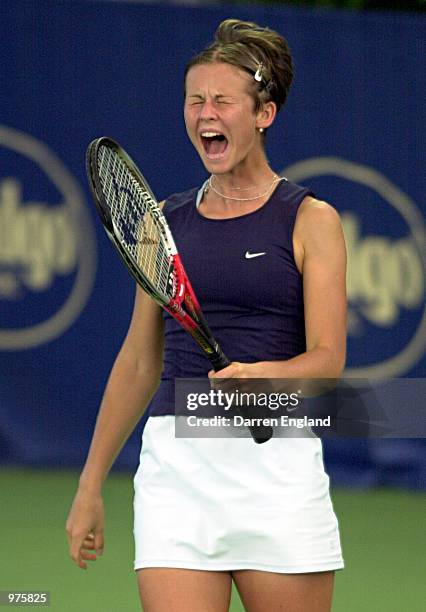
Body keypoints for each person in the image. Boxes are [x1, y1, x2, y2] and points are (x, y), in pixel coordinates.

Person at [66, 19, 347, 612]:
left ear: (263, 114)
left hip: (279, 473)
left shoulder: (311, 219)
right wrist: (91, 482)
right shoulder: (161, 223)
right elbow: (140, 359)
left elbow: (327, 361)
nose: (205, 113)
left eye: (222, 100)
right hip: (178, 473)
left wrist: (266, 377)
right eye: (195, 100)